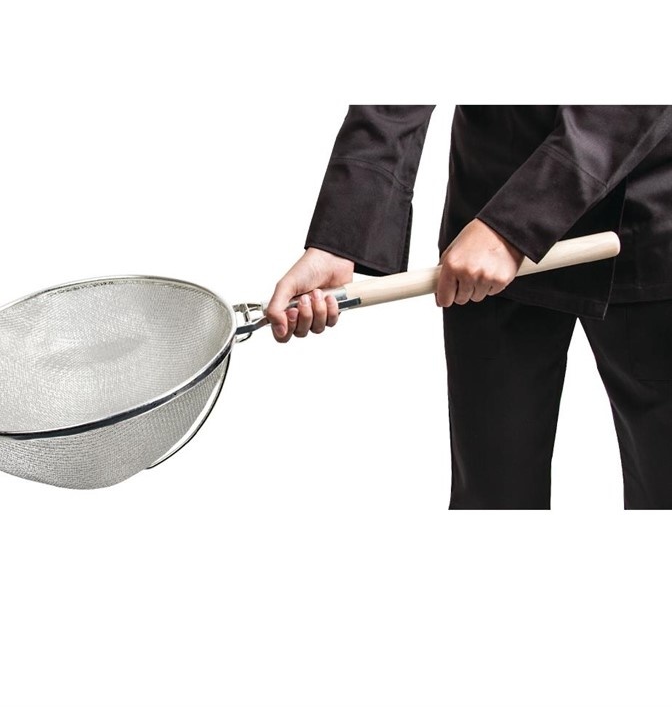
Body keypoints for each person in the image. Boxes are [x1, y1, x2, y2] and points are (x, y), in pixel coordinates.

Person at [266, 106, 672, 509]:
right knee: (491, 499)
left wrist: (514, 223)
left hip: (649, 216)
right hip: (485, 229)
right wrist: (342, 234)